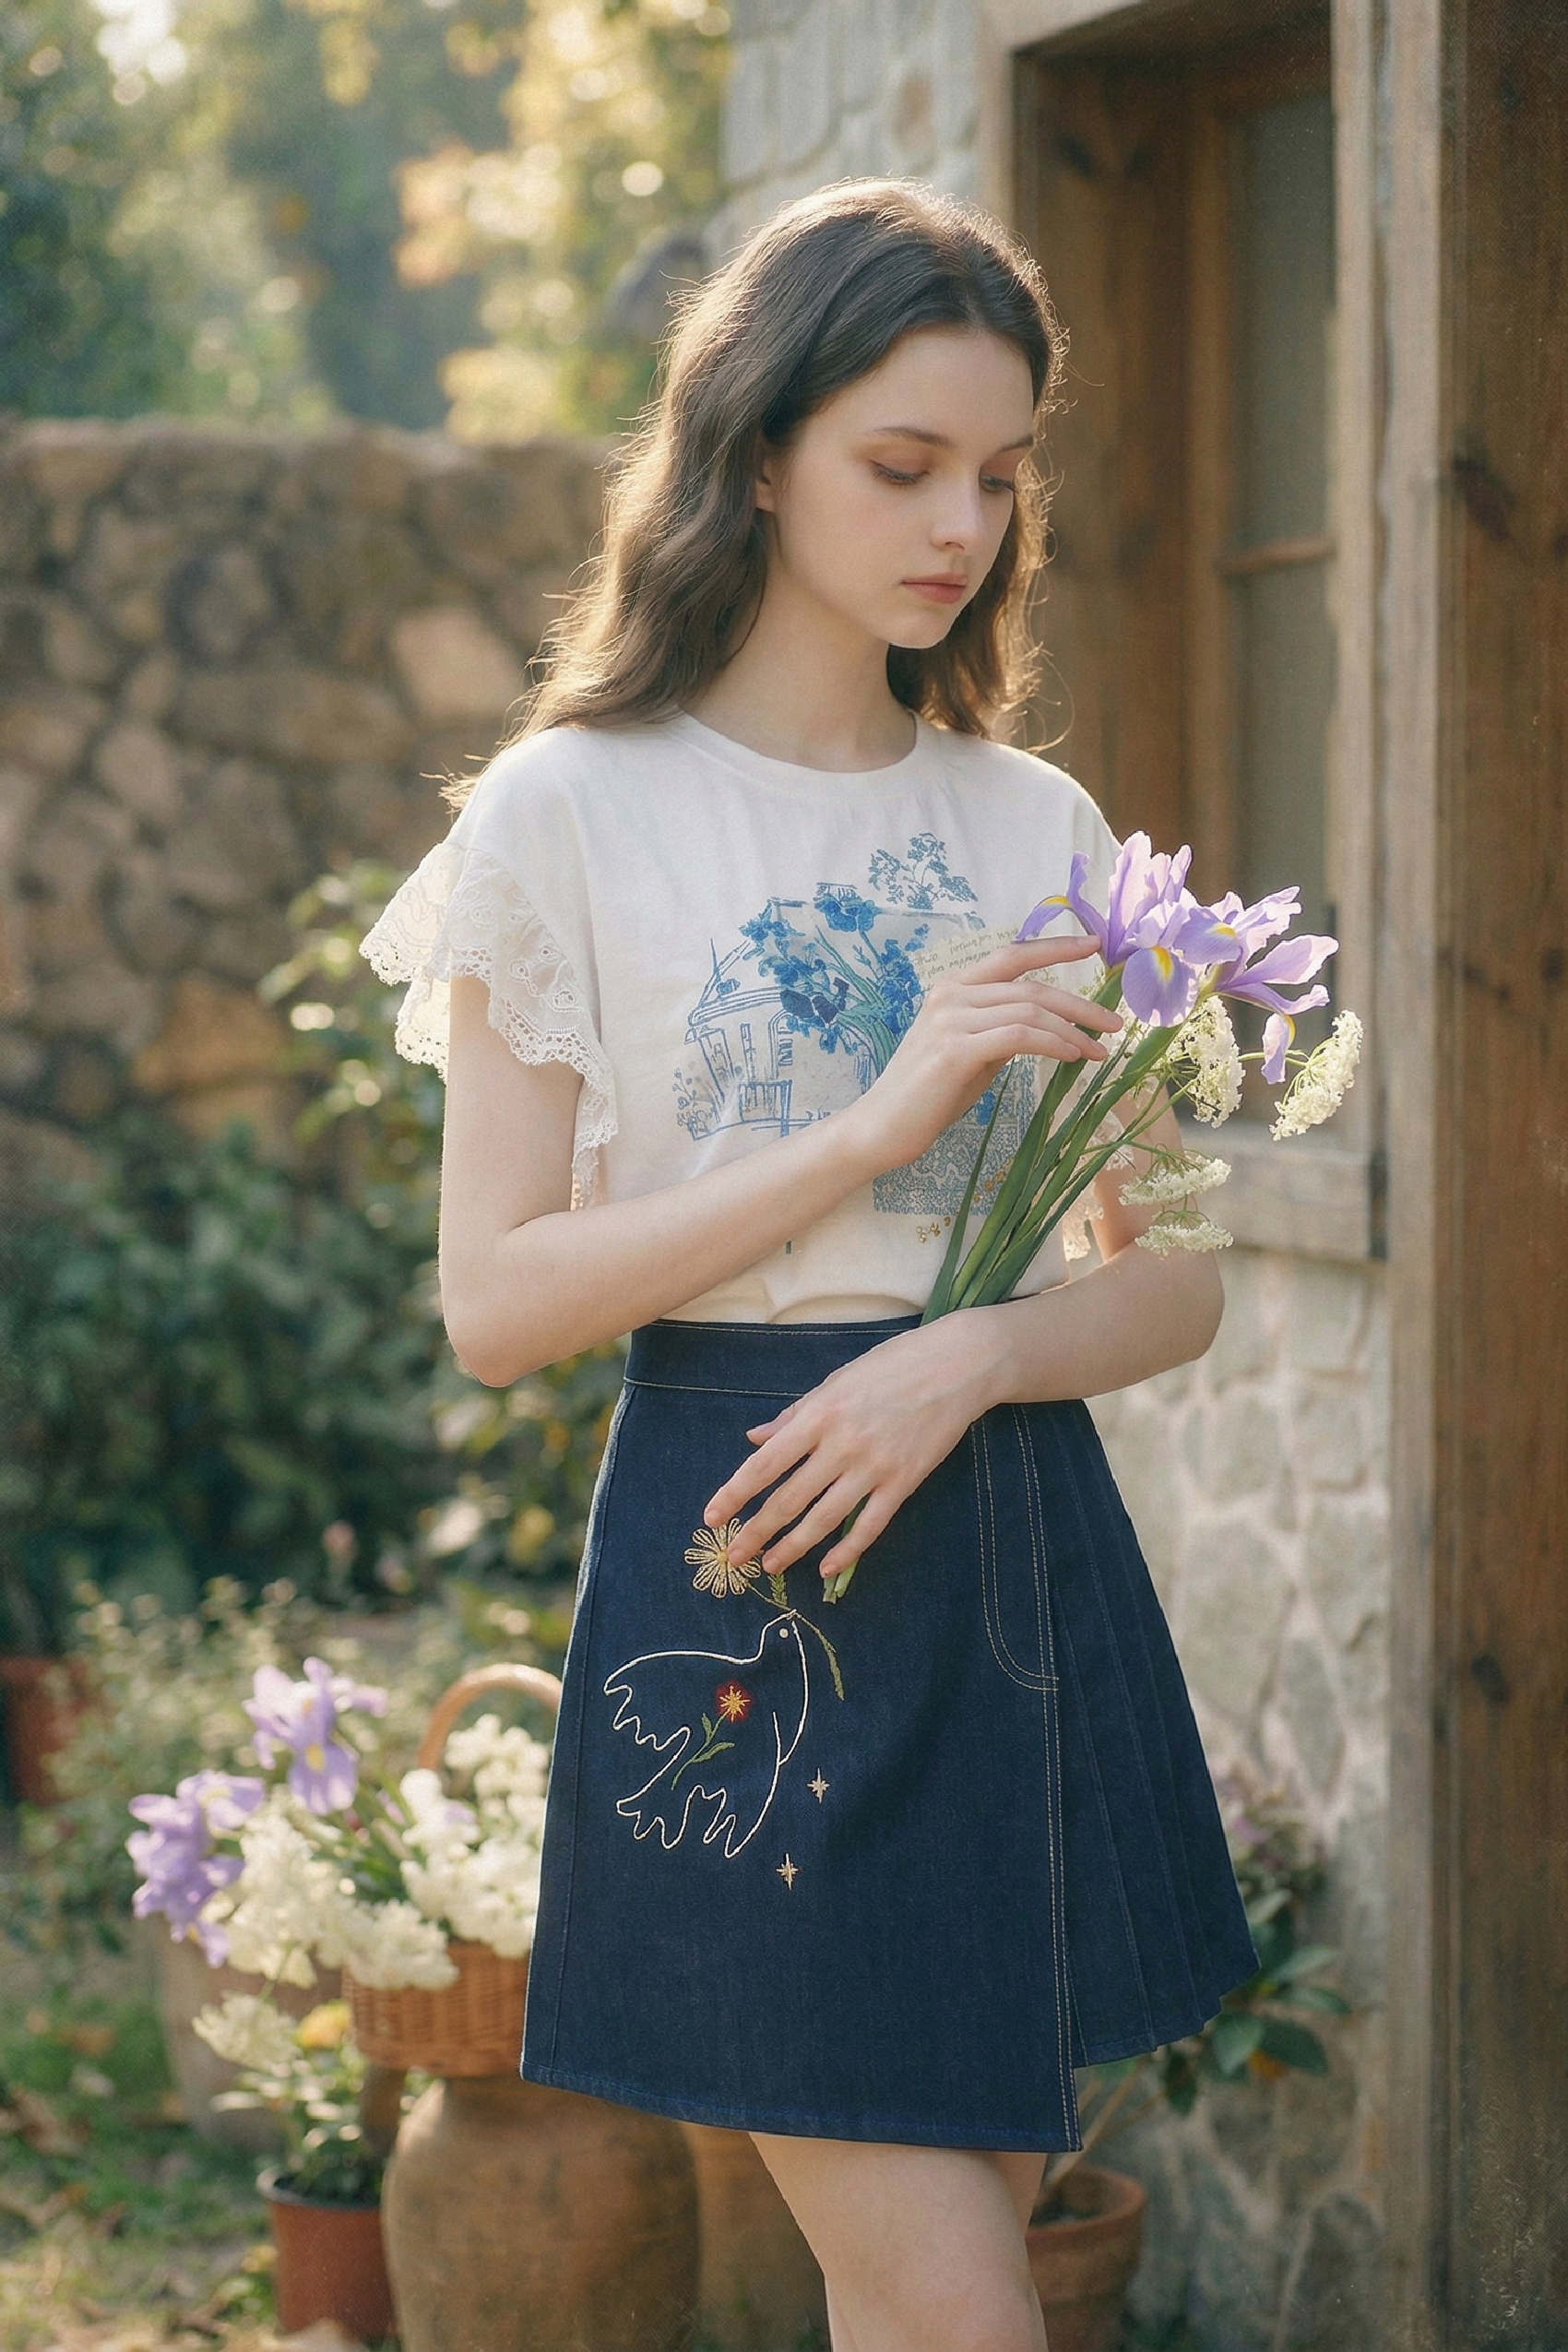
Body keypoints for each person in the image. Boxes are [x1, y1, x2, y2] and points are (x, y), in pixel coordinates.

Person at [364, 178, 1258, 2352]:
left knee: (927, 2273)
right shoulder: (566, 816)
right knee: (957, 2300)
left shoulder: (1028, 825)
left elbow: (1174, 1286)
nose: (961, 520)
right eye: (902, 462)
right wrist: (870, 1135)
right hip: (743, 1555)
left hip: (1010, 1549)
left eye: (998, 471)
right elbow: (496, 1305)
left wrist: (958, 1366)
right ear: (755, 449)